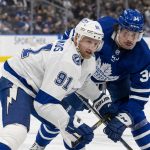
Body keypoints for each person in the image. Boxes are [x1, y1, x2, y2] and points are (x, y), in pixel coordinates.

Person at [30, 8, 150, 150]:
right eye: (126, 33)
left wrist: (124, 118)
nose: (130, 39)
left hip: (118, 81)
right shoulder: (102, 28)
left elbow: (140, 96)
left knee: (136, 117)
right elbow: (69, 41)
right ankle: (38, 146)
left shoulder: (143, 54)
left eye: (135, 35)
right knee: (63, 114)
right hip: (84, 77)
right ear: (118, 28)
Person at [0, 18, 104, 150]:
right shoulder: (66, 59)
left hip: (39, 86)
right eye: (88, 41)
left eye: (96, 43)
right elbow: (44, 103)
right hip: (17, 81)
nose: (92, 47)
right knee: (16, 131)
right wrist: (72, 124)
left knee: (73, 134)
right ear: (77, 38)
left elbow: (81, 83)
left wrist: (100, 99)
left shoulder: (87, 61)